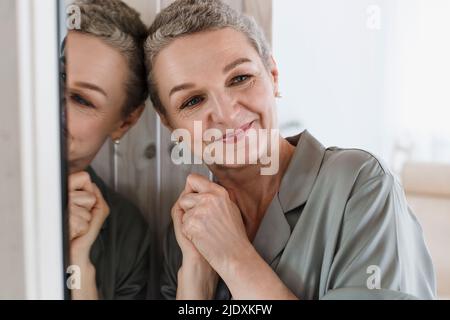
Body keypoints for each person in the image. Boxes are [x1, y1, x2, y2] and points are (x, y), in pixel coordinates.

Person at [144, 0, 436, 300]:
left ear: (273, 76)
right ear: (170, 124)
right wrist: (195, 278)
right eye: (192, 101)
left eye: (240, 78)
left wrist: (234, 257)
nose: (226, 114)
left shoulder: (361, 184)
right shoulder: (189, 227)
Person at [63, 0, 150, 299]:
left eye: (82, 100)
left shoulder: (126, 234)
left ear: (125, 122)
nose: (53, 107)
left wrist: (78, 262)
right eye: (54, 78)